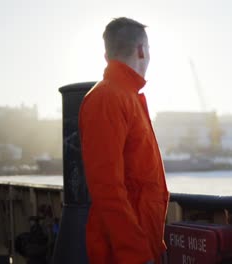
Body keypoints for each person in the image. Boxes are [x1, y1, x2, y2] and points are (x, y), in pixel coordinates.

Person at [79, 17, 169, 264]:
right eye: (148, 49)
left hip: (141, 242)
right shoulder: (108, 98)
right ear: (141, 50)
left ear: (107, 55)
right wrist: (136, 254)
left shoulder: (126, 96)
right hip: (124, 253)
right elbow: (107, 187)